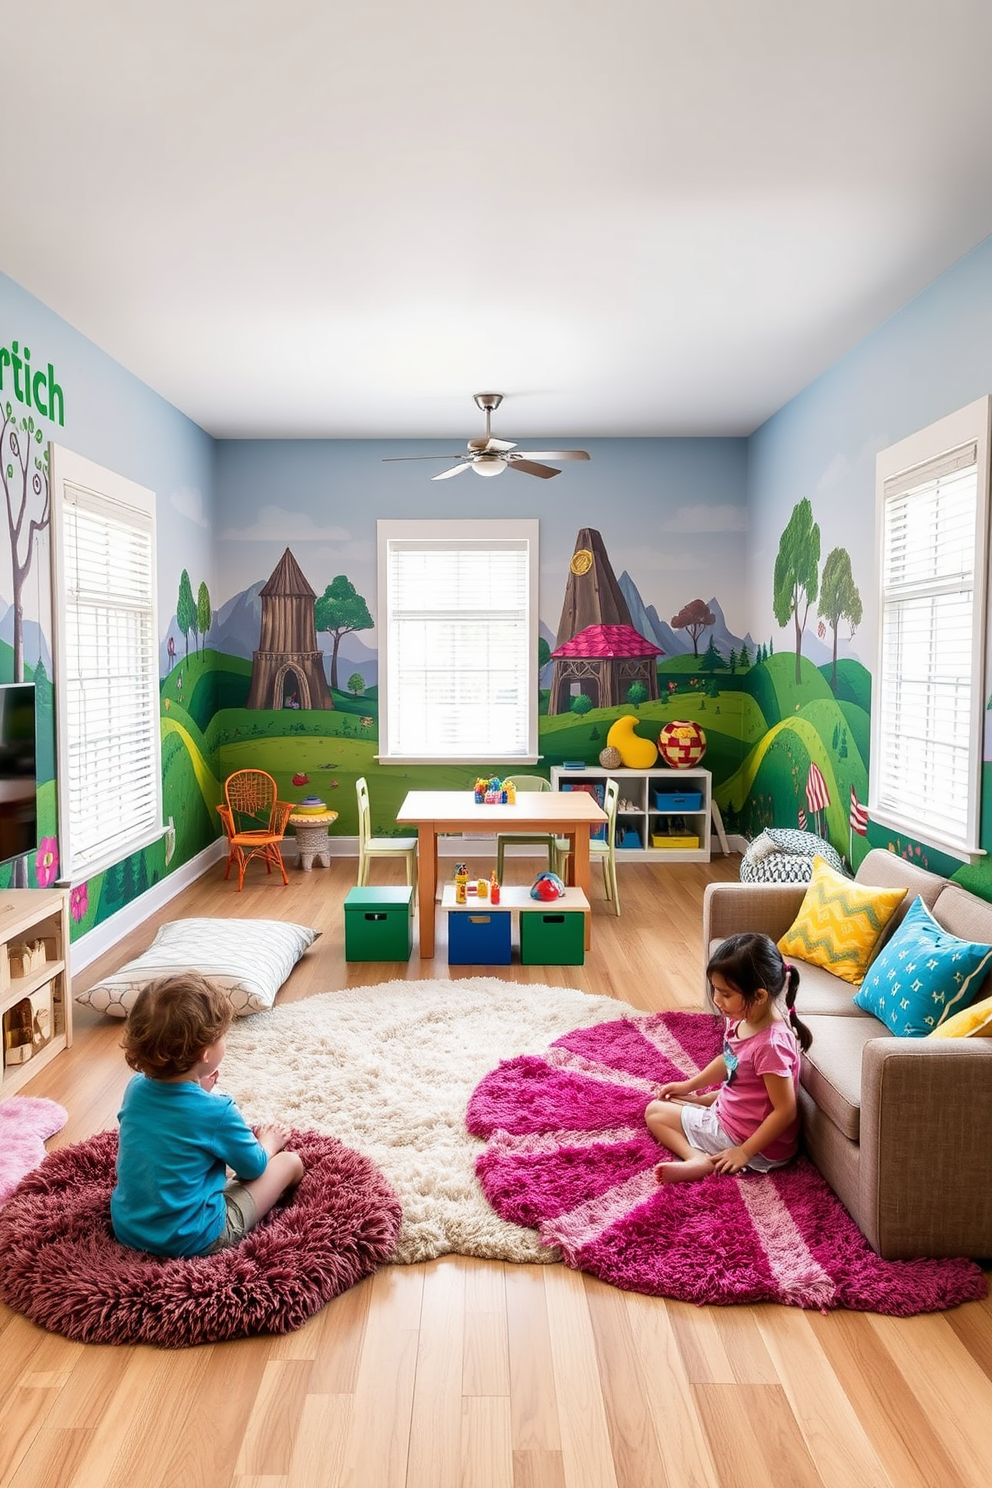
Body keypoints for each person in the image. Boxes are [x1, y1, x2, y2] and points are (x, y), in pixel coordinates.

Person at [111, 971, 304, 1256]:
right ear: (204, 1054)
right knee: (290, 1162)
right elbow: (252, 1168)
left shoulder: (135, 1088)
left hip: (129, 1228)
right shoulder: (218, 1111)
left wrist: (198, 1087)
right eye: (223, 1036)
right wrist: (269, 1143)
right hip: (195, 1237)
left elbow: (172, 1118)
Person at [645, 933, 812, 1184]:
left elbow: (786, 1110)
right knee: (678, 1098)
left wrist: (743, 1152)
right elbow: (729, 1061)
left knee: (655, 1111)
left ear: (759, 996)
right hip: (741, 1114)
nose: (716, 1000)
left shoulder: (770, 1045)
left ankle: (697, 1158)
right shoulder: (745, 1020)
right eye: (715, 990)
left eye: (725, 994)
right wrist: (690, 1086)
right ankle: (703, 1110)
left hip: (752, 1143)